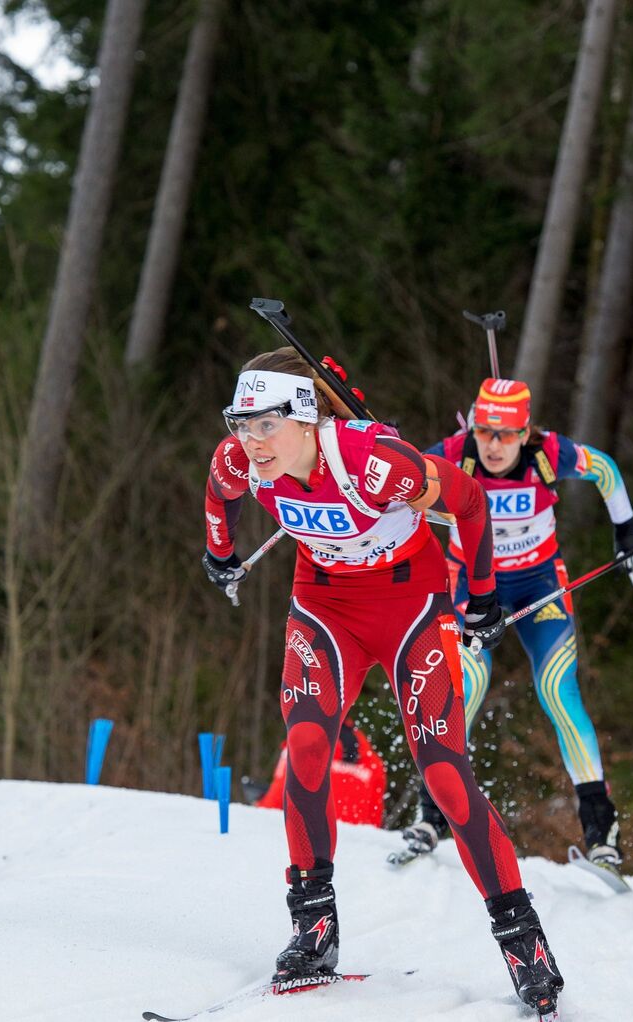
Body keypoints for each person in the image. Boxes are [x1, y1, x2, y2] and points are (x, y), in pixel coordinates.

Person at [202, 349, 563, 1013]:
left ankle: (524, 944)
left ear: (306, 420)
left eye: (264, 425)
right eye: (239, 424)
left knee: (444, 772)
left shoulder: (372, 462)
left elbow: (468, 501)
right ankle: (314, 927)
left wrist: (481, 596)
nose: (248, 442)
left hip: (412, 604)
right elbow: (218, 497)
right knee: (307, 744)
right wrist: (219, 555)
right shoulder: (242, 463)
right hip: (324, 603)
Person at [401, 378, 633, 870]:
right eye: (485, 431)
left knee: (558, 689)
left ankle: (601, 828)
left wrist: (626, 529)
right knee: (464, 686)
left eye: (506, 434)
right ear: (472, 426)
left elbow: (607, 471)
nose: (493, 445)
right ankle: (433, 814)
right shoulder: (452, 453)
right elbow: (396, 484)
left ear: (525, 432)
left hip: (540, 586)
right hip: (471, 587)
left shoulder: (551, 453)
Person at [242, 717, 387, 827]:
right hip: (358, 848)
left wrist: (258, 805)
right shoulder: (369, 756)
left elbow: (274, 805)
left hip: (312, 845)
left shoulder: (299, 743)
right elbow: (375, 819)